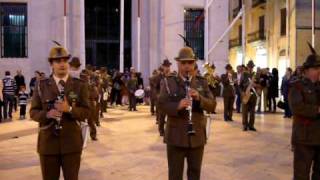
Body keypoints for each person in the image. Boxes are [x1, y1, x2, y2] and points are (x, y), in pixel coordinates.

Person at [29, 44, 90, 180]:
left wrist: (69, 109)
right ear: (51, 64)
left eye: (64, 60)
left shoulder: (79, 85)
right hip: (48, 145)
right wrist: (47, 114)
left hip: (72, 144)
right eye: (58, 61)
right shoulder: (41, 85)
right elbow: (33, 112)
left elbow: (87, 112)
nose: (62, 64)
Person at [158, 47, 216, 180]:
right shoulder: (168, 82)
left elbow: (212, 104)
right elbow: (161, 105)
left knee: (195, 174)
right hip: (175, 137)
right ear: (178, 64)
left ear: (194, 63)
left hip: (197, 138)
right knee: (175, 175)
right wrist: (177, 106)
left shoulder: (202, 82)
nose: (187, 67)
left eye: (190, 63)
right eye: (183, 63)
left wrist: (199, 98)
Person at [289, 44, 320, 180]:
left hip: (319, 137)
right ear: (306, 70)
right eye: (315, 68)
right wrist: (317, 110)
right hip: (304, 139)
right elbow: (297, 107)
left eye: (319, 68)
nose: (318, 71)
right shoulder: (297, 86)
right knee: (301, 175)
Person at [240, 60, 259, 131]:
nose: (250, 68)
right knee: (244, 111)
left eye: (252, 67)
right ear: (247, 67)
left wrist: (256, 85)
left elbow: (259, 84)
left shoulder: (255, 75)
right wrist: (242, 92)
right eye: (249, 66)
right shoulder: (244, 74)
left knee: (252, 111)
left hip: (253, 95)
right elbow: (240, 85)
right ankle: (245, 125)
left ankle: (251, 125)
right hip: (246, 94)